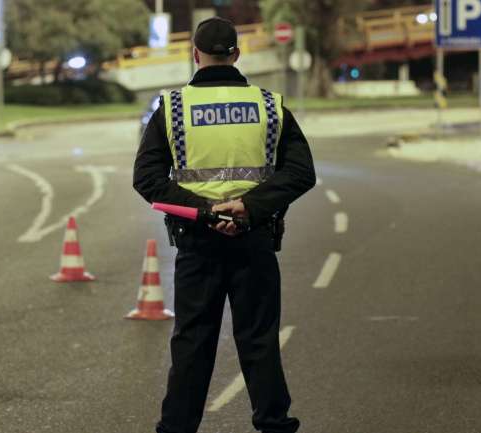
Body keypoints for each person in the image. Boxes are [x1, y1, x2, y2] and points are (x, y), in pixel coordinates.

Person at [133, 16, 316, 433]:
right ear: (236, 53)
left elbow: (147, 180)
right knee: (259, 342)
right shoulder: (270, 105)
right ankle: (273, 424)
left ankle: (177, 428)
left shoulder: (174, 109)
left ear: (194, 54)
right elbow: (301, 172)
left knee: (192, 344)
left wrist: (204, 212)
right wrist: (249, 207)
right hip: (255, 240)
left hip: (198, 243)